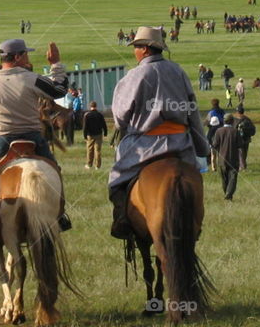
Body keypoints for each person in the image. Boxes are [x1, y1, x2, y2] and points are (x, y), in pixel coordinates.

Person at [108, 26, 210, 240]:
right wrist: (202, 147)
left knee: (116, 180)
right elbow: (192, 110)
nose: (134, 51)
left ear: (145, 49)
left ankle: (122, 219)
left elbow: (120, 117)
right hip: (180, 144)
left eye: (136, 47)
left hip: (143, 145)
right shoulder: (178, 71)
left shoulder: (134, 75)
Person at [0, 38, 70, 236]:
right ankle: (60, 215)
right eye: (26, 54)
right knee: (55, 170)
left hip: (0, 140)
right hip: (33, 138)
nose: (28, 57)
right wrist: (55, 64)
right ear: (18, 57)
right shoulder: (32, 78)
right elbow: (59, 90)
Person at [211, 114, 242, 200]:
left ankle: (227, 194)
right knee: (232, 178)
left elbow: (214, 146)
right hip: (233, 159)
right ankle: (229, 194)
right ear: (232, 121)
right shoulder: (235, 132)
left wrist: (213, 161)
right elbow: (240, 145)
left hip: (222, 160)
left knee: (224, 179)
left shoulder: (218, 131)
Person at [82, 101, 107, 169]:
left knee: (90, 150)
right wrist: (105, 132)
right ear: (96, 106)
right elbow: (104, 124)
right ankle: (97, 166)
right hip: (98, 134)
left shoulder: (87, 115)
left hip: (90, 135)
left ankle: (89, 165)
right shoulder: (100, 115)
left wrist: (84, 135)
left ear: (90, 107)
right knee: (98, 150)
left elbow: (85, 126)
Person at [234, 105, 255, 170]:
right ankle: (243, 165)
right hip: (247, 139)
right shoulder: (248, 119)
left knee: (240, 153)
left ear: (237, 111)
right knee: (245, 152)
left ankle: (242, 167)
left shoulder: (235, 119)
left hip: (239, 139)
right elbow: (253, 129)